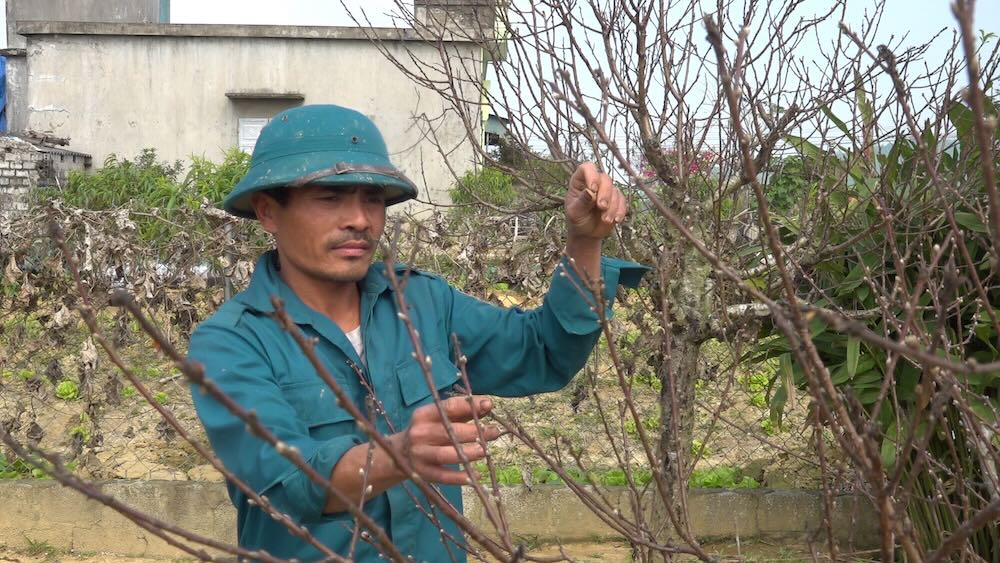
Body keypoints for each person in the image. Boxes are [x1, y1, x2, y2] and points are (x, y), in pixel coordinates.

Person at [188, 104, 647, 562]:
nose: (361, 220)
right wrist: (397, 455)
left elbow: (544, 351)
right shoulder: (230, 343)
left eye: (372, 198)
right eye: (329, 198)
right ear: (269, 211)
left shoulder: (422, 304)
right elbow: (287, 483)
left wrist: (585, 242)